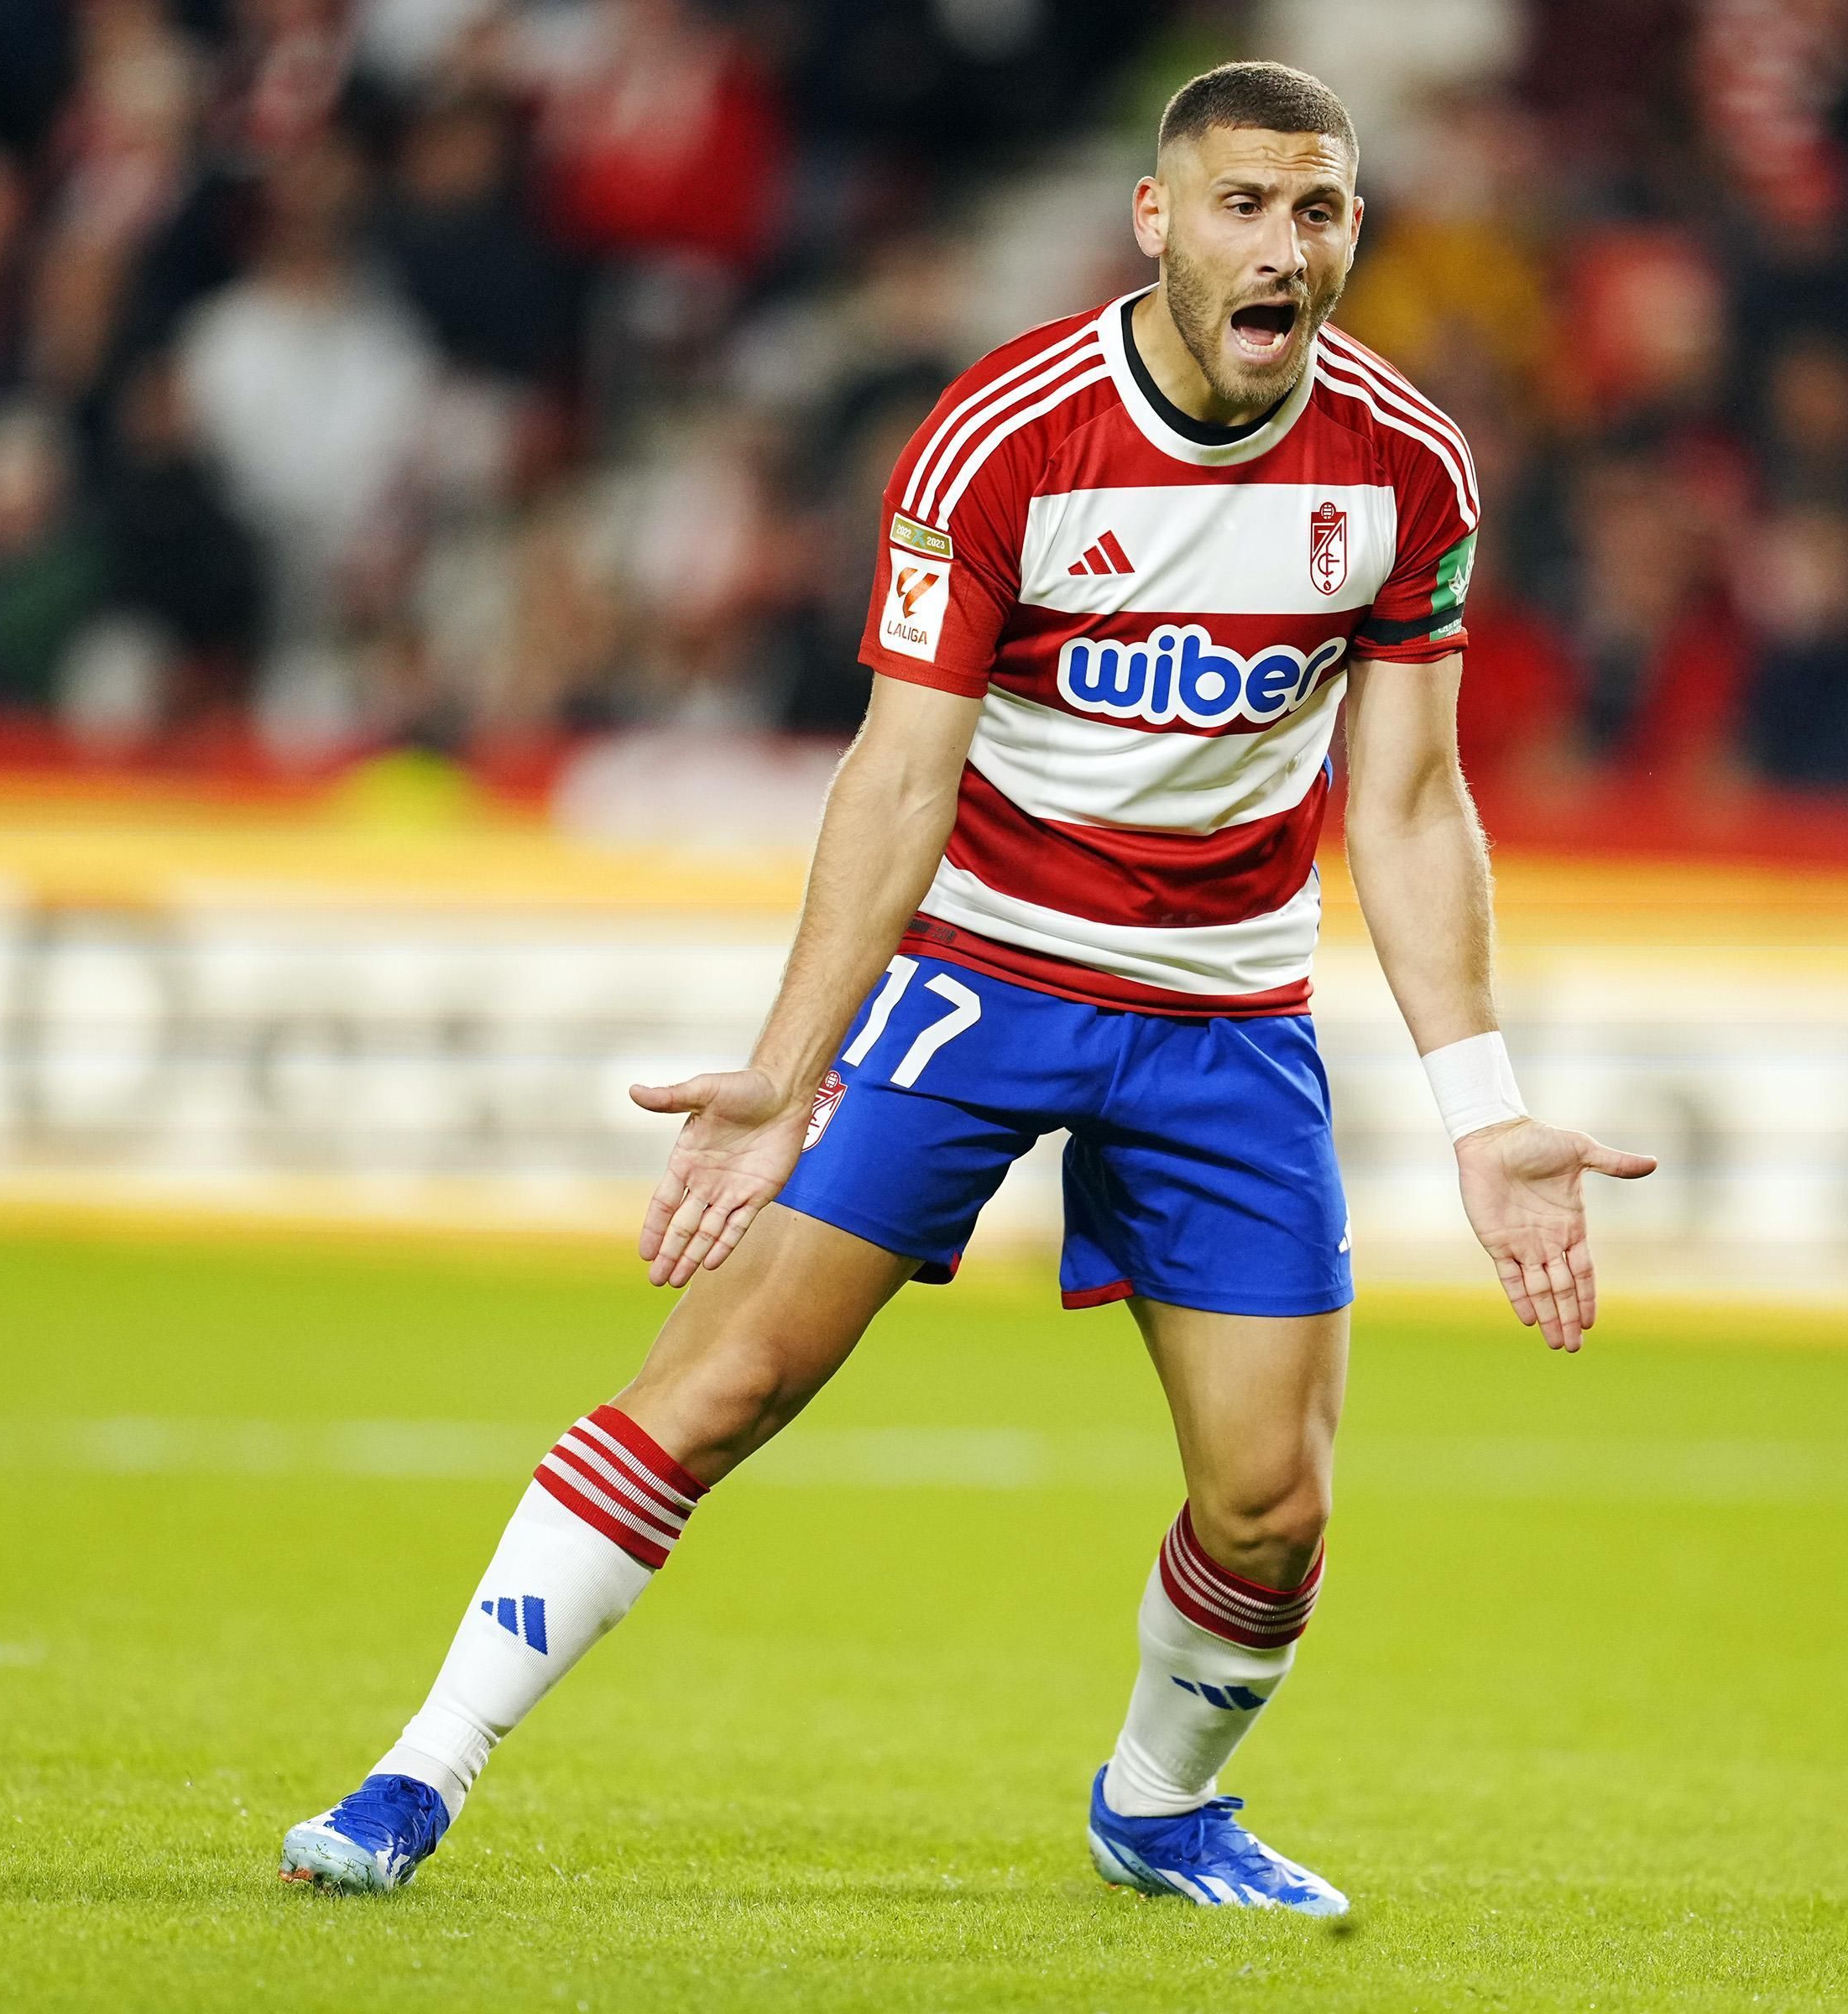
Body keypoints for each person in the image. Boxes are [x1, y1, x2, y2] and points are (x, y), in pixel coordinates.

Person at [277, 60, 1653, 1913]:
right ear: (1158, 220)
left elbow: (1405, 796)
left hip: (1230, 1014)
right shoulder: (1006, 438)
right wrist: (788, 1069)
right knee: (725, 1381)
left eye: (1321, 210)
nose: (1288, 248)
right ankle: (414, 1772)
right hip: (985, 979)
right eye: (1246, 205)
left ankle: (1159, 1810)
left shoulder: (1406, 464)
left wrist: (1482, 1112)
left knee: (1275, 1507)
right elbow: (898, 774)